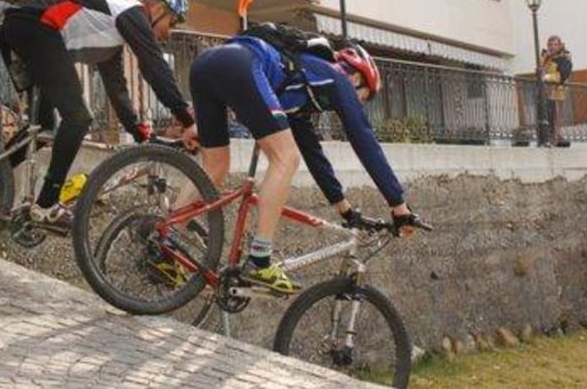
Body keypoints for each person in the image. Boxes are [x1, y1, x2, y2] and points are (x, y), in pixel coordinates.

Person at [179, 33, 419, 294]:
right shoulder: (336, 76)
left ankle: (165, 243)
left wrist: (346, 212)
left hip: (206, 64)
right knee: (285, 158)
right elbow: (364, 139)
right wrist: (398, 205)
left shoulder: (302, 87)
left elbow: (314, 156)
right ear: (357, 78)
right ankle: (260, 261)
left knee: (215, 167)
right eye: (364, 96)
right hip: (241, 62)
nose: (359, 103)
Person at [0, 0, 198, 229]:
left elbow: (116, 85)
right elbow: (154, 67)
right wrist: (186, 119)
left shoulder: (113, 29)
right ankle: (46, 206)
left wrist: (136, 129)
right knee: (77, 118)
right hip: (36, 25)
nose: (168, 32)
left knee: (41, 130)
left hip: (23, 28)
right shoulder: (133, 12)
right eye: (171, 22)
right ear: (159, 8)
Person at [540, 35, 572, 147]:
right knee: (545, 117)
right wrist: (544, 59)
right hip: (545, 93)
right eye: (550, 45)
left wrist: (547, 77)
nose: (552, 47)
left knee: (556, 117)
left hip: (557, 92)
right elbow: (539, 71)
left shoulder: (564, 58)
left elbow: (562, 75)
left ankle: (556, 138)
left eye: (555, 45)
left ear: (559, 45)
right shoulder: (546, 58)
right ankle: (546, 139)